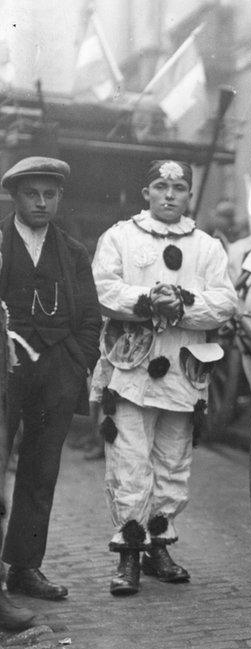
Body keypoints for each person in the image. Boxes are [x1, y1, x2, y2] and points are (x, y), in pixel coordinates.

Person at [91, 160, 237, 596]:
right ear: (146, 192)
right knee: (131, 463)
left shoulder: (207, 247)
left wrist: (183, 305)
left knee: (172, 465)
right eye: (160, 185)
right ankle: (129, 556)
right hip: (131, 372)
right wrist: (149, 299)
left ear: (189, 195)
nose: (169, 194)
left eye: (178, 187)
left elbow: (225, 299)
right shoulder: (119, 237)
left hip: (183, 372)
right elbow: (102, 288)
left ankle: (158, 546)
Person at [0, 157, 101, 624]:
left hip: (56, 374)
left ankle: (25, 569)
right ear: (14, 197)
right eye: (31, 194)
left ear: (59, 197)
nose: (41, 202)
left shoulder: (73, 252)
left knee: (41, 473)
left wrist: (74, 364)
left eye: (49, 194)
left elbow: (89, 319)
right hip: (4, 374)